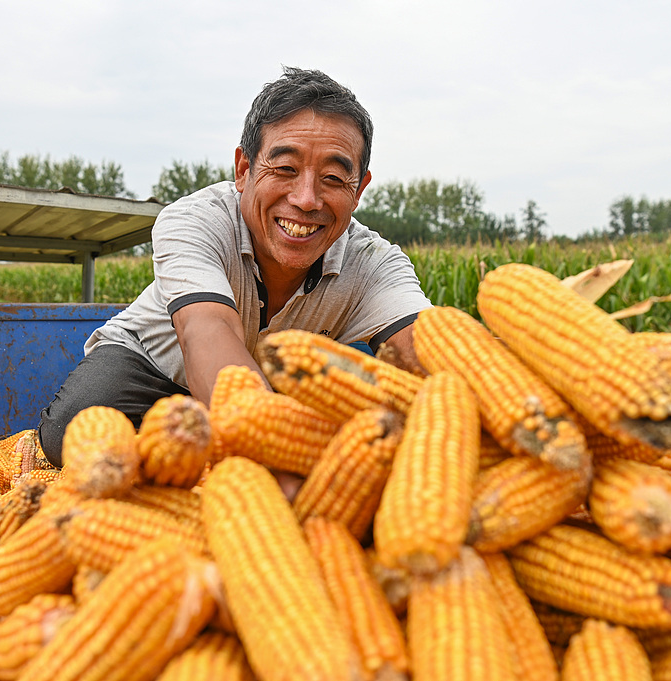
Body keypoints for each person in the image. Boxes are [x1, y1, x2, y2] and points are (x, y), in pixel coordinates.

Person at [38, 66, 432, 466]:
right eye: (285, 169)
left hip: (271, 390)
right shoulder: (195, 221)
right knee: (69, 434)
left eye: (332, 177)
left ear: (359, 189)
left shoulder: (372, 262)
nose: (307, 199)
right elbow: (206, 329)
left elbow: (426, 352)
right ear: (244, 170)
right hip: (155, 367)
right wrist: (270, 456)